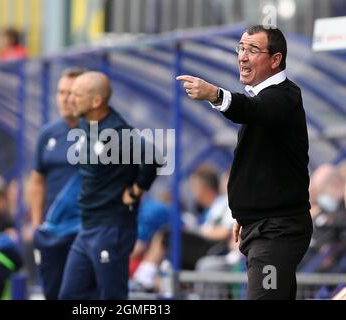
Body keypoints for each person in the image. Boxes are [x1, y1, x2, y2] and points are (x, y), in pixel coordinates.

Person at [177, 25, 313, 300]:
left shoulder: (284, 97)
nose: (242, 56)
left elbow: (253, 110)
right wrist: (244, 213)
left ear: (276, 60)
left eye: (252, 50)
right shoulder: (265, 101)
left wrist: (215, 95)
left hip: (276, 233)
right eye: (241, 48)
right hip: (261, 227)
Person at [58, 71, 160, 300]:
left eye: (77, 94)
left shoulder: (117, 132)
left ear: (96, 101)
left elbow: (152, 158)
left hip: (112, 228)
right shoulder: (86, 123)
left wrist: (136, 191)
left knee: (112, 297)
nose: (70, 99)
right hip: (88, 227)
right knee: (70, 295)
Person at [28, 67, 86, 300]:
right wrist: (36, 225)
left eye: (71, 93)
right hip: (53, 232)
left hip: (85, 231)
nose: (65, 98)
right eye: (61, 92)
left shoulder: (103, 132)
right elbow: (37, 181)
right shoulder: (48, 134)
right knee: (53, 292)